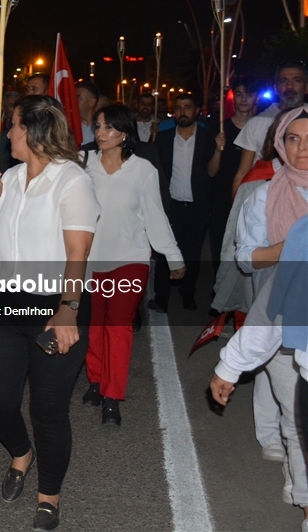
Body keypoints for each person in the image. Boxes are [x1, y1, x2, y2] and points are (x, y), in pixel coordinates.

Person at [0, 94, 100, 531]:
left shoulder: (72, 181)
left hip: (54, 306)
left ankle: (49, 494)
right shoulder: (8, 177)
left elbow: (78, 251)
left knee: (48, 409)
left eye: (13, 126)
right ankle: (20, 452)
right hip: (5, 303)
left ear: (31, 131)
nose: (8, 133)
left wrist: (68, 310)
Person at [210, 107, 308, 527]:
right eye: (294, 139)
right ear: (280, 144)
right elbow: (249, 261)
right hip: (284, 310)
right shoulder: (263, 194)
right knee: (295, 416)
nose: (302, 149)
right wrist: (293, 246)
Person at [81, 105, 184, 426]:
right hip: (89, 260)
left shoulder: (143, 170)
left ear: (124, 134)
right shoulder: (82, 164)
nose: (100, 133)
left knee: (119, 326)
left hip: (130, 259)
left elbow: (155, 216)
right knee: (94, 325)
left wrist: (173, 255)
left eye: (108, 127)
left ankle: (113, 396)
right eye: (97, 126)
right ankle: (96, 380)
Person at [152, 94, 223, 311]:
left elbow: (212, 172)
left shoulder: (207, 138)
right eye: (179, 108)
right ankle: (160, 297)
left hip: (197, 207)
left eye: (188, 107)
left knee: (192, 255)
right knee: (165, 252)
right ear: (174, 112)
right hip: (171, 206)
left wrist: (219, 150)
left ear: (196, 111)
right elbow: (156, 171)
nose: (183, 112)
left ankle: (187, 294)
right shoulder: (163, 138)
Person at [232, 63, 306, 195]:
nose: (289, 86)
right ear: (276, 88)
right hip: (265, 201)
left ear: (306, 87)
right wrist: (237, 210)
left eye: (297, 80)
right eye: (284, 81)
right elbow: (243, 172)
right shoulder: (257, 123)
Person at [209, 76, 258, 273]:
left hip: (252, 195)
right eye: (239, 94)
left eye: (249, 94)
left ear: (256, 98)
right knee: (222, 245)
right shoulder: (220, 127)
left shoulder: (263, 126)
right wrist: (218, 150)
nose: (244, 99)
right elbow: (211, 172)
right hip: (222, 197)